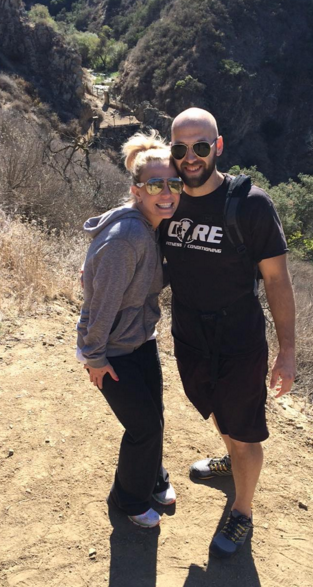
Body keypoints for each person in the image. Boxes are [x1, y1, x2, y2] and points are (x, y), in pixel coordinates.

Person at [160, 108, 296, 557]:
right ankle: (230, 461)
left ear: (217, 147)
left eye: (201, 146)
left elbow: (276, 280)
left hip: (238, 341)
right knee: (218, 412)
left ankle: (242, 510)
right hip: (190, 336)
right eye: (180, 148)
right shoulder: (168, 200)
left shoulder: (251, 205)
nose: (190, 157)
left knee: (245, 433)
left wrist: (288, 351)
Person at [76, 131, 183, 528]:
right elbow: (100, 306)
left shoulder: (153, 226)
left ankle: (153, 478)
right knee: (142, 428)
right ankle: (128, 499)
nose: (167, 191)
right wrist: (94, 357)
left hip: (140, 340)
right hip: (113, 350)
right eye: (156, 184)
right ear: (137, 190)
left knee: (154, 416)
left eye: (174, 183)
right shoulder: (129, 236)